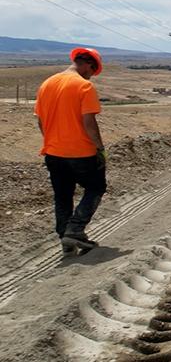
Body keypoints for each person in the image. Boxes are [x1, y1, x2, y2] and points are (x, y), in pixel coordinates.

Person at [34, 47, 107, 256]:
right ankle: (75, 230)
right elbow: (89, 122)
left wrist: (51, 140)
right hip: (82, 152)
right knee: (95, 188)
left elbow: (40, 119)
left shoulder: (47, 84)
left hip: (53, 153)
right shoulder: (84, 86)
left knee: (63, 195)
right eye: (92, 71)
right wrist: (100, 148)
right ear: (87, 65)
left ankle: (65, 238)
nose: (90, 75)